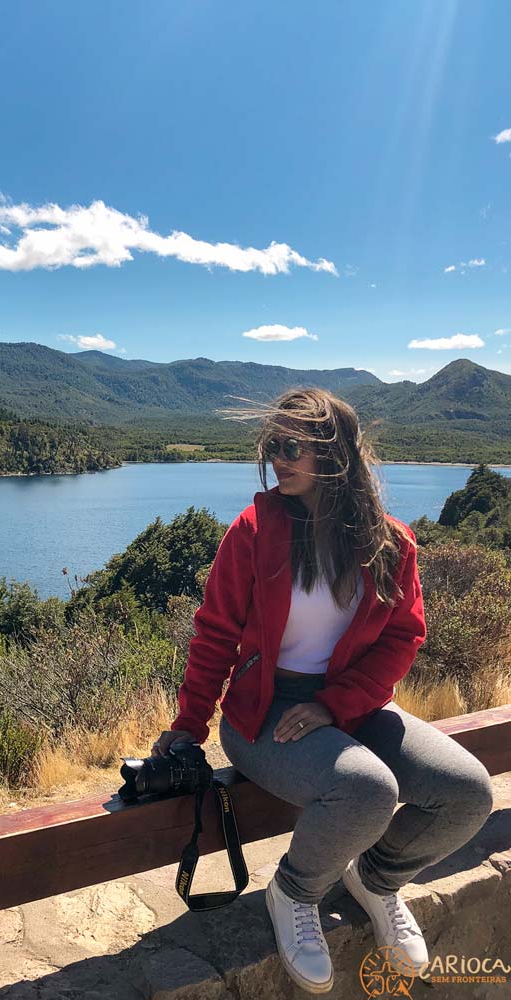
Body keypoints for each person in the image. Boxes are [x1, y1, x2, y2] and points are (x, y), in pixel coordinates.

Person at [151, 388, 494, 995]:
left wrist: (336, 704)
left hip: (350, 705)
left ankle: (378, 878)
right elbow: (214, 636)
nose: (276, 458)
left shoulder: (390, 543)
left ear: (334, 455)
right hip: (264, 712)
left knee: (468, 794)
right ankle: (295, 891)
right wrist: (189, 726)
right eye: (270, 445)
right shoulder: (253, 532)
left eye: (291, 447)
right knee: (365, 789)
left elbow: (403, 637)